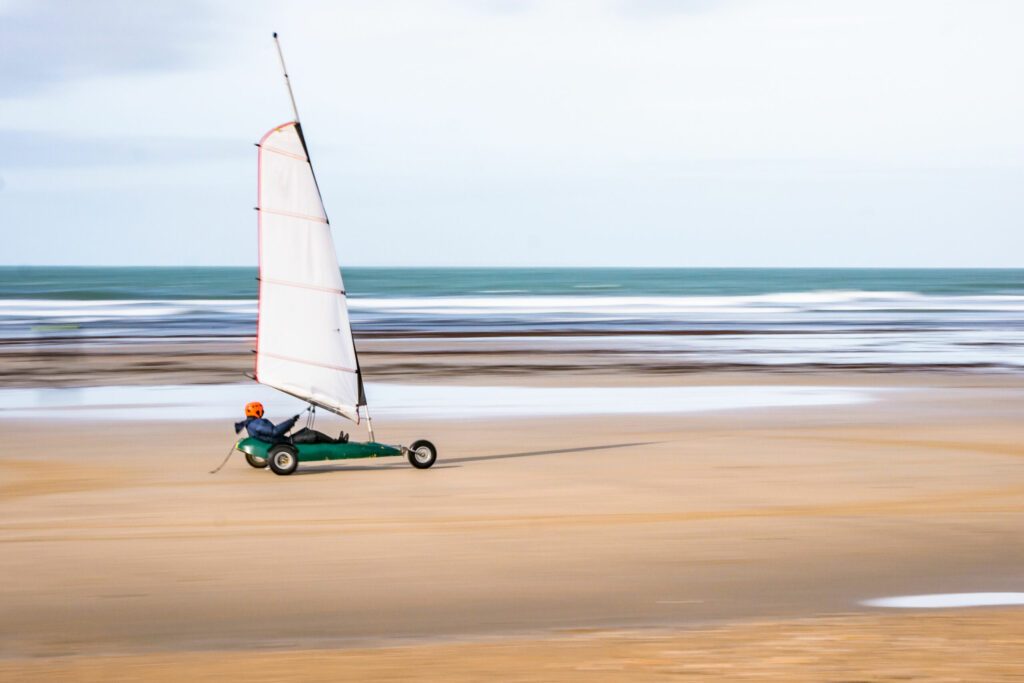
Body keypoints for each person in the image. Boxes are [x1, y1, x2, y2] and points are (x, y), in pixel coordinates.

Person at [234, 402, 301, 443]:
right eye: (262, 411)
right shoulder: (257, 423)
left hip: (269, 439)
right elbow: (274, 432)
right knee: (305, 435)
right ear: (257, 412)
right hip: (275, 441)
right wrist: (291, 421)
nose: (263, 412)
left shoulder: (249, 422)